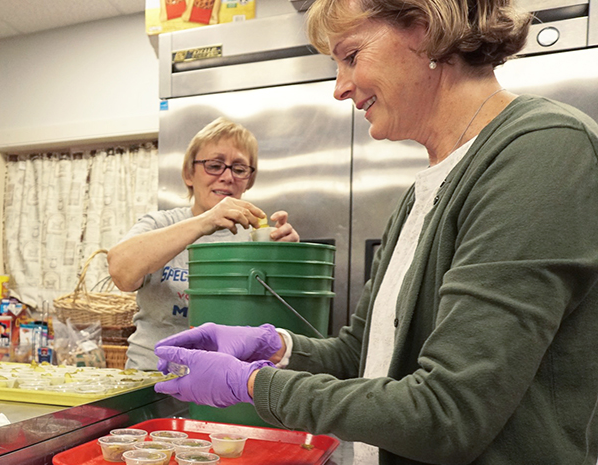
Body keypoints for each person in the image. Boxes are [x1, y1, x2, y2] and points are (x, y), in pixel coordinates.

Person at [154, 0, 598, 463]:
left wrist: (252, 384)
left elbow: (448, 414)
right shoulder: (423, 192)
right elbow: (359, 355)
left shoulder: (542, 152)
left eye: (351, 57)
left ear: (424, 30)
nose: (340, 89)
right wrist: (276, 347)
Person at [107, 117, 299, 371]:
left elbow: (280, 327)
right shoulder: (161, 224)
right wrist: (204, 221)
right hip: (154, 377)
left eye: (239, 169)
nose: (227, 177)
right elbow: (121, 272)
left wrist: (292, 261)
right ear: (189, 174)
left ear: (249, 180)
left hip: (230, 384)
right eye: (214, 165)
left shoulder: (259, 236)